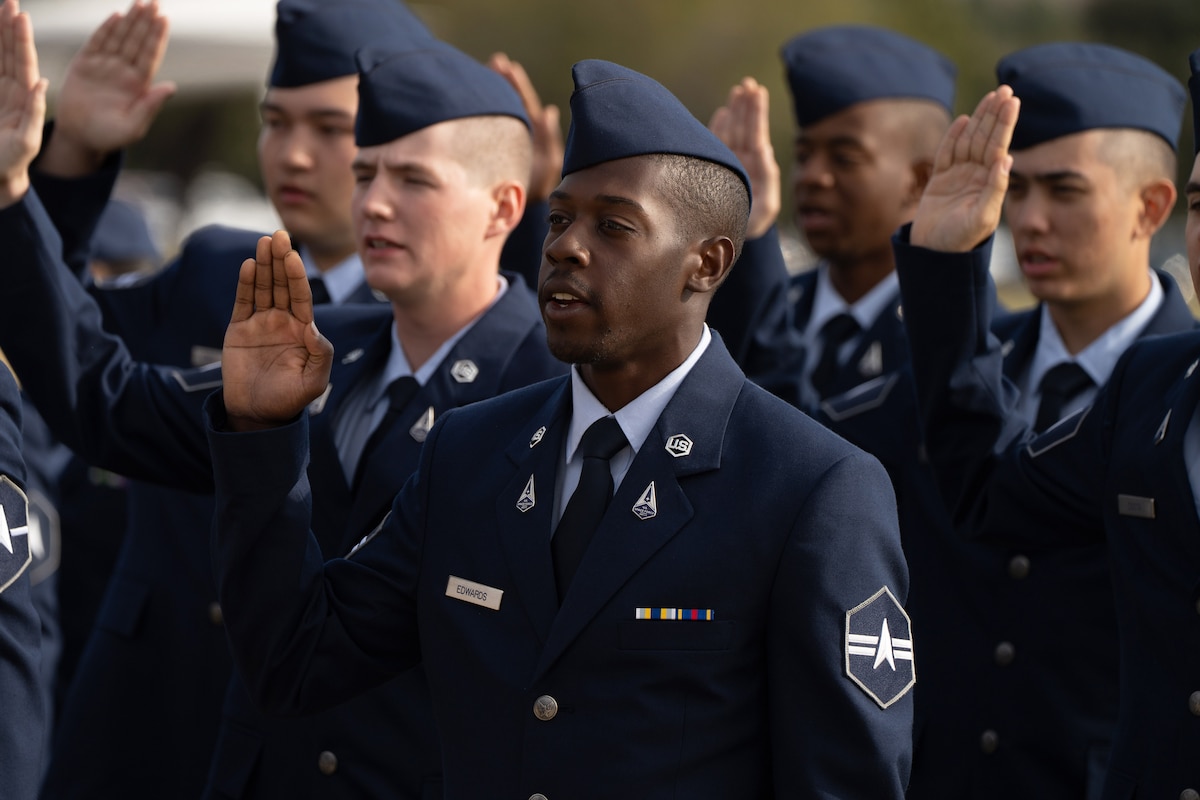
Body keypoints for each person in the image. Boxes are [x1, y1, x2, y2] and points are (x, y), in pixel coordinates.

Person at [205, 58, 914, 799]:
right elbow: (297, 660)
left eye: (613, 225)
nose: (566, 247)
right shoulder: (470, 452)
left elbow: (846, 781)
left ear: (705, 263)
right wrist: (260, 434)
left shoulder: (809, 486)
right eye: (561, 217)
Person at [0, 13, 565, 798]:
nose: (372, 203)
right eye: (366, 174)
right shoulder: (323, 343)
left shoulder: (552, 385)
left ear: (504, 209)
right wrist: (13, 193)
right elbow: (110, 401)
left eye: (413, 180)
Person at [892, 46, 1199, 798]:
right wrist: (945, 265)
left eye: (1063, 191)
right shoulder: (1156, 388)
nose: (1028, 221)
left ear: (1147, 209)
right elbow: (985, 489)